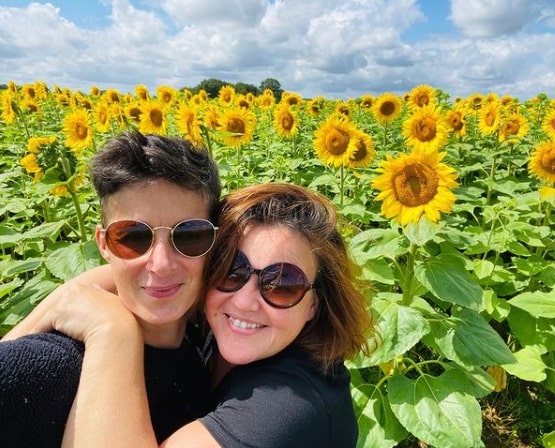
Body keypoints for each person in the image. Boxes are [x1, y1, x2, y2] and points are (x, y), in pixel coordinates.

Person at [12, 182, 374, 447]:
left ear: (313, 304)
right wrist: (62, 301)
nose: (247, 301)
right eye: (232, 269)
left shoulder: (290, 407)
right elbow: (142, 274)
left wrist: (111, 331)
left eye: (282, 284)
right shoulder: (210, 327)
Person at [0, 130, 221, 446]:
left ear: (215, 241)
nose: (161, 264)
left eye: (188, 236)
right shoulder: (46, 366)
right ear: (103, 244)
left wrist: (66, 296)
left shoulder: (209, 337)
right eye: (132, 237)